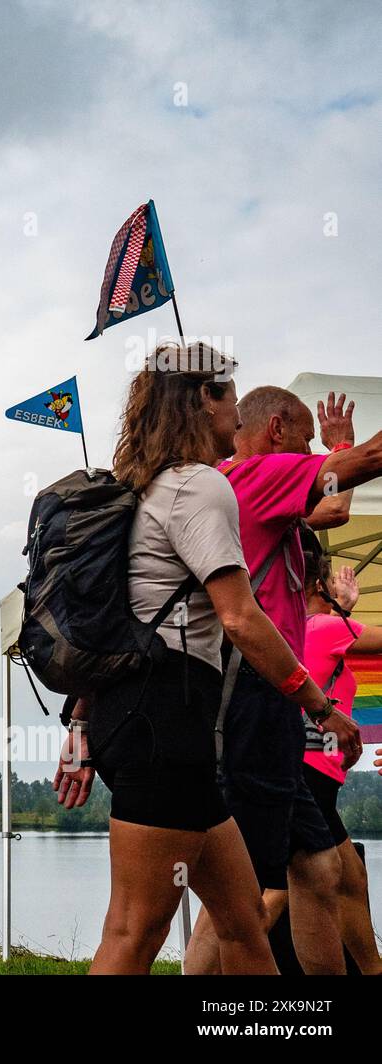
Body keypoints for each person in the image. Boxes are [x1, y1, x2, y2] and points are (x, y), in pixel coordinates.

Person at [55, 345, 343, 975]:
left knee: (243, 923)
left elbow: (115, 626)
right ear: (202, 401)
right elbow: (241, 617)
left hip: (154, 720)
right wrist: (320, 707)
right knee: (136, 928)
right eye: (230, 400)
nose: (237, 417)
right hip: (167, 718)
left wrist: (81, 724)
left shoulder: (147, 490)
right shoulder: (198, 485)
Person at [184, 384, 382, 974]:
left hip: (275, 707)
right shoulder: (254, 475)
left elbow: (335, 506)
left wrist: (337, 449)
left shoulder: (261, 491)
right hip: (252, 697)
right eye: (303, 442)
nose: (309, 456)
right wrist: (348, 452)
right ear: (275, 433)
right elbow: (366, 464)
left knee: (317, 870)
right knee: (244, 891)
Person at [283, 560, 382, 973]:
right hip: (307, 776)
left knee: (349, 877)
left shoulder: (299, 632)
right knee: (276, 890)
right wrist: (342, 609)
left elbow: (327, 659)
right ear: (318, 587)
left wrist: (341, 608)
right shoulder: (324, 628)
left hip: (312, 775)